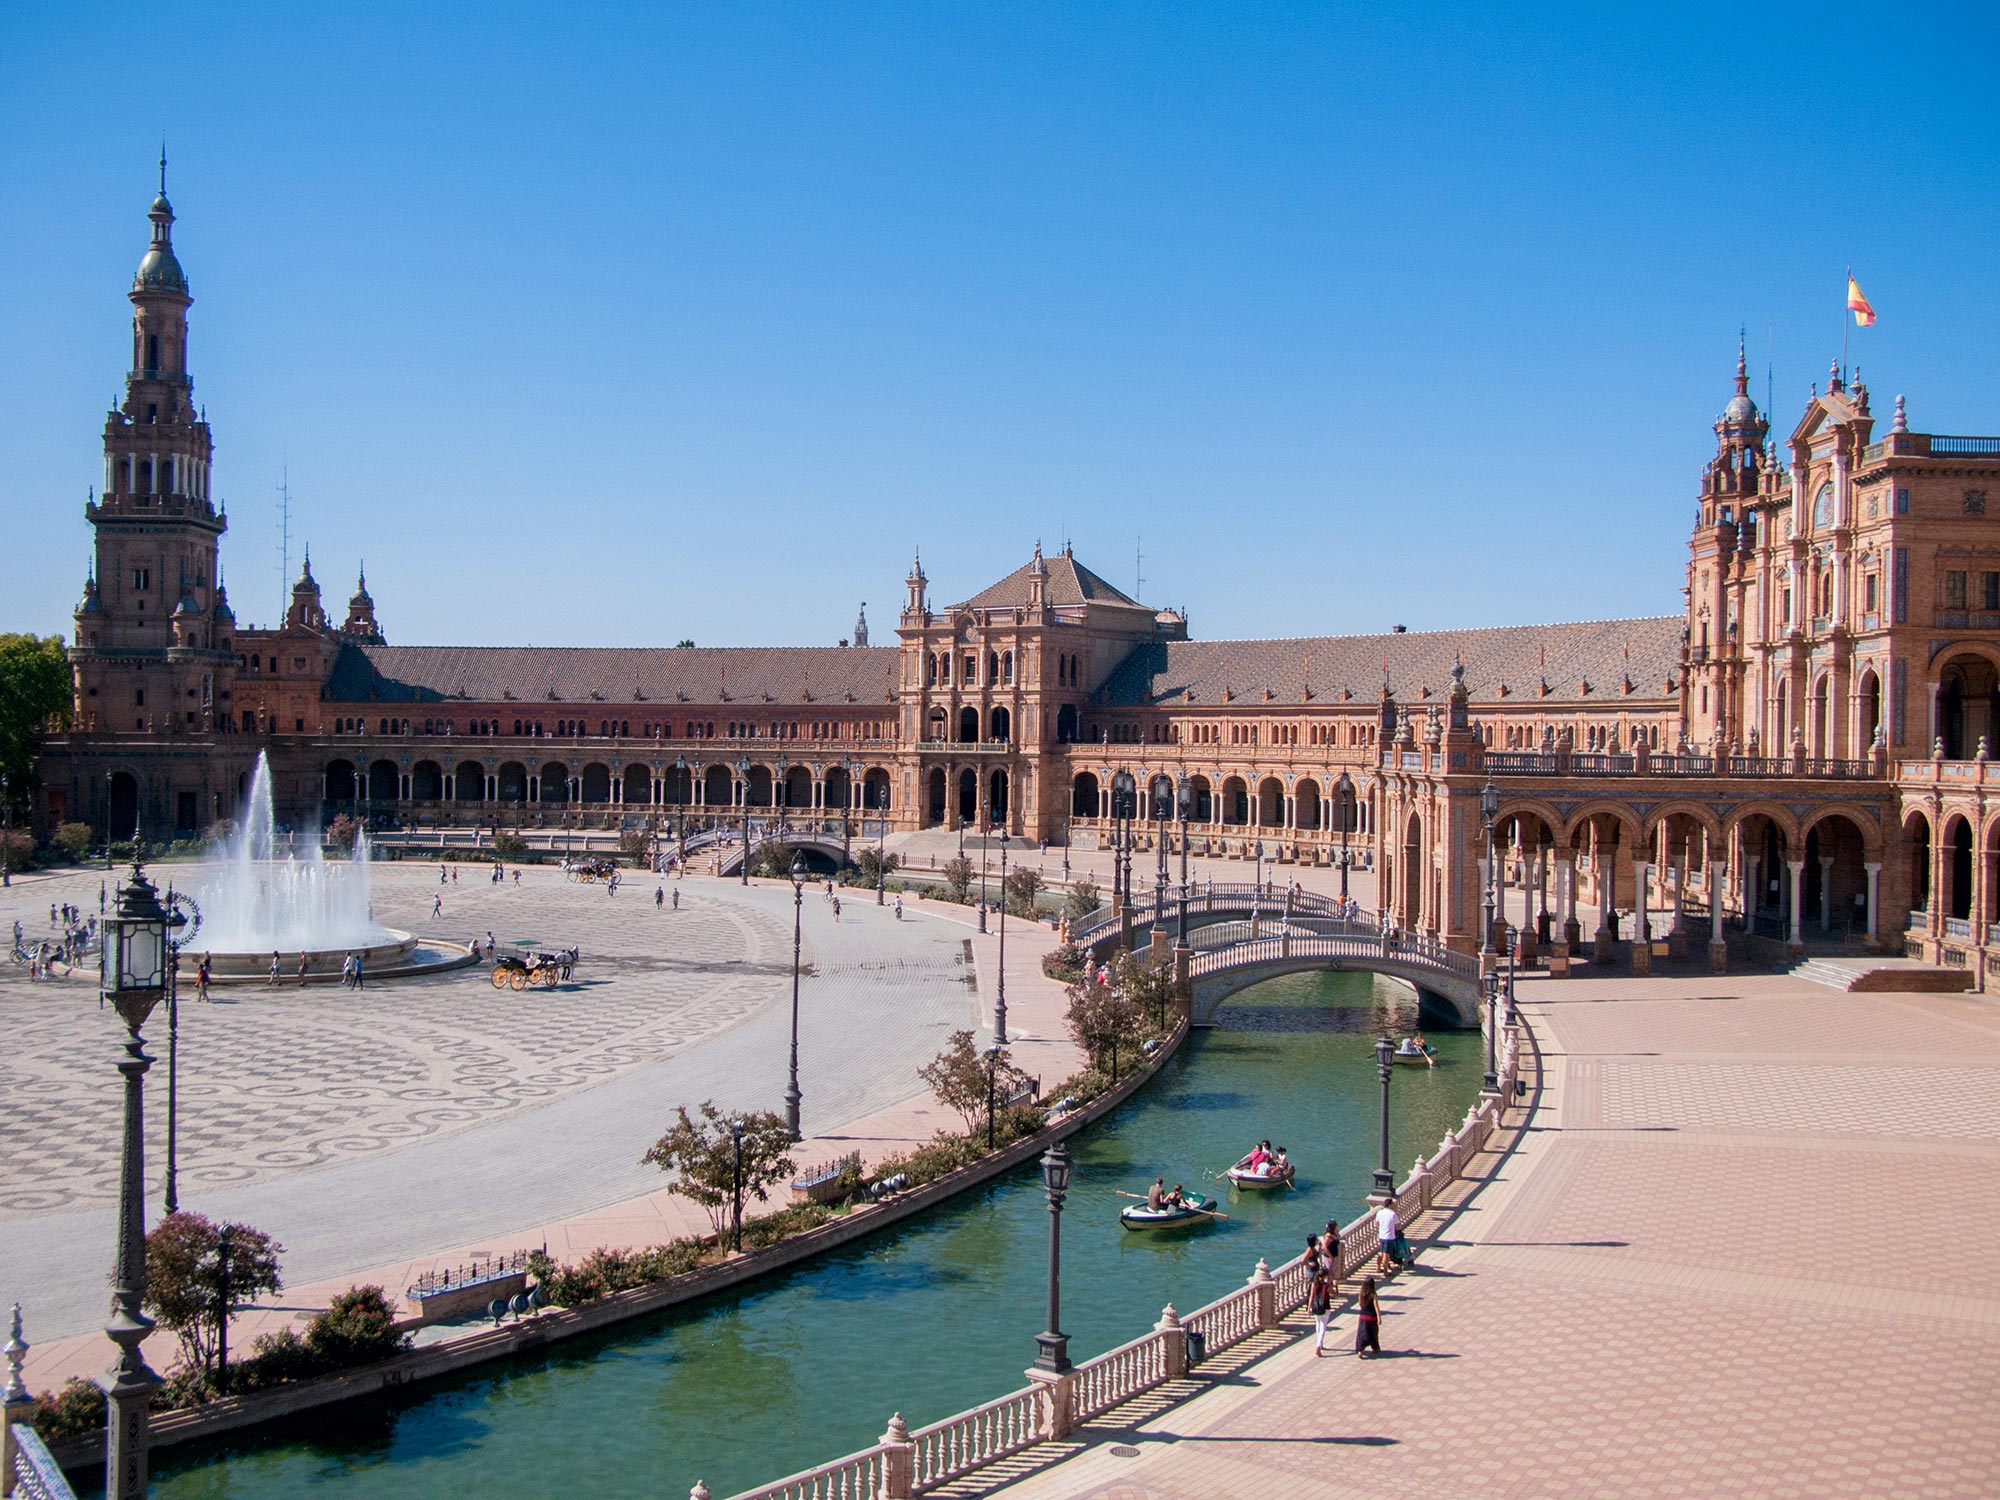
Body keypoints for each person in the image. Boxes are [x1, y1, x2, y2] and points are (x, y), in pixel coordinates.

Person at [1308, 1234, 1334, 1356]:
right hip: (1325, 1306)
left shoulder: (1314, 1283)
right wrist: (1335, 1287)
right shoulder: (1326, 1285)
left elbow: (1311, 1296)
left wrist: (1308, 1308)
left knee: (1317, 1324)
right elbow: (1335, 1294)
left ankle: (1319, 1343)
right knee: (1323, 1326)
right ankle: (1319, 1345)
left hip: (1315, 1306)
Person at [1353, 1276, 1382, 1358]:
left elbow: (1359, 1303)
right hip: (1372, 1317)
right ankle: (1375, 1348)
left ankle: (1360, 1351)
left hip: (1363, 1316)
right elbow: (1376, 1307)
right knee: (1373, 1333)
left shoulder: (1361, 1293)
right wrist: (1379, 1318)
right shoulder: (1373, 1294)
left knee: (1362, 1334)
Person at [1375, 1199, 1401, 1273]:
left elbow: (1376, 1224)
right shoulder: (1392, 1214)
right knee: (1386, 1254)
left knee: (1381, 1252)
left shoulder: (1379, 1212)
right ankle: (1385, 1271)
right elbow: (1398, 1225)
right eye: (1393, 1204)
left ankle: (1378, 1267)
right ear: (1389, 1205)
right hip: (1389, 1237)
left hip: (1381, 1236)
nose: (1394, 1205)